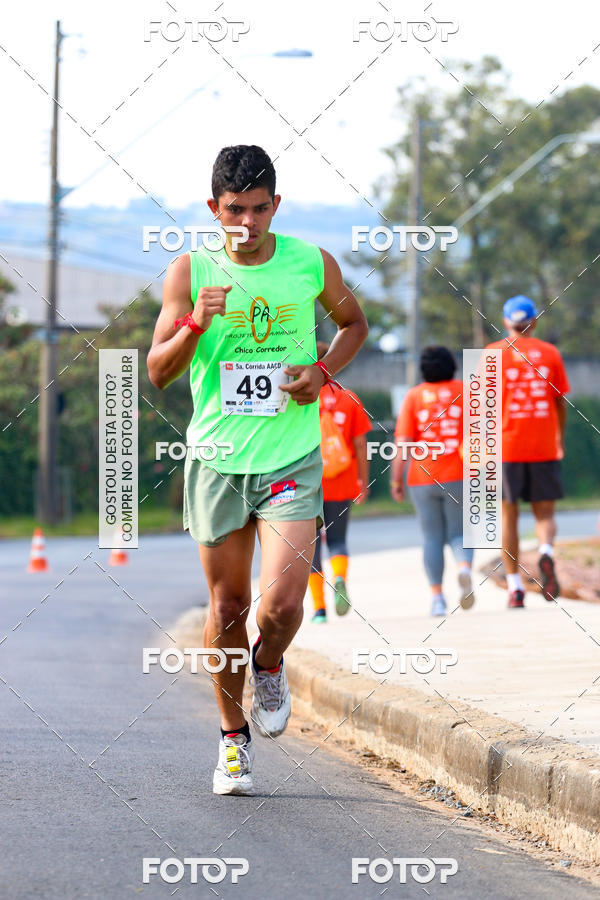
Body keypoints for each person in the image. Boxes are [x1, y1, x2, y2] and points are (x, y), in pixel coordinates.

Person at [147, 145, 368, 795]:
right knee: (228, 605)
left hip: (290, 458)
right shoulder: (190, 271)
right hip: (217, 460)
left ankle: (268, 662)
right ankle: (231, 741)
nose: (246, 223)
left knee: (280, 605)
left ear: (277, 205)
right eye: (234, 210)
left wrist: (322, 371)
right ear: (213, 208)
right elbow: (159, 371)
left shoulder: (309, 262)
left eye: (259, 209)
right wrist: (194, 322)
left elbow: (354, 323)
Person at [485, 295, 569, 609]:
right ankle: (546, 552)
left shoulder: (492, 354)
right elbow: (560, 402)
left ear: (506, 322)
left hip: (505, 447)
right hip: (543, 444)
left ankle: (515, 588)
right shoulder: (550, 353)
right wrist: (558, 437)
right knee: (545, 514)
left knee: (508, 517)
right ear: (534, 321)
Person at [390, 346, 474, 617]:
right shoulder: (466, 391)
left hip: (422, 476)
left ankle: (437, 598)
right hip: (460, 474)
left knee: (432, 538)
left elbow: (402, 443)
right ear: (452, 365)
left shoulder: (414, 396)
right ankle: (464, 568)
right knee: (460, 533)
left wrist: (396, 481)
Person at [308, 341, 371, 623]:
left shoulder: (300, 396)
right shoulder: (349, 398)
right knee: (338, 540)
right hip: (342, 481)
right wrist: (363, 482)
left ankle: (319, 610)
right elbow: (360, 447)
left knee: (310, 545)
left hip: (307, 482)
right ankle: (341, 579)